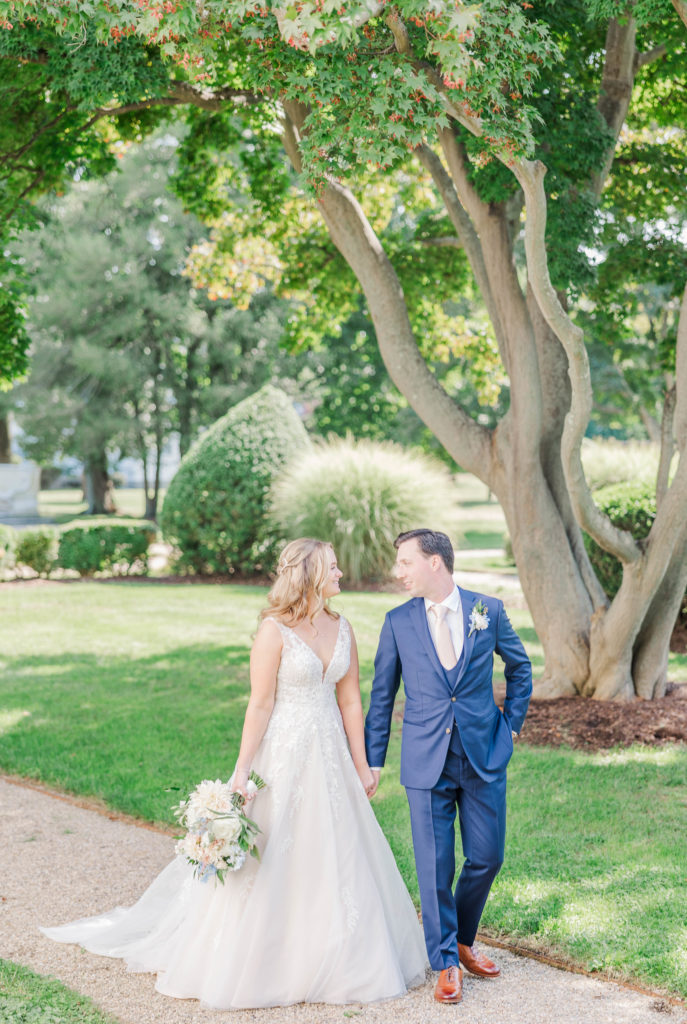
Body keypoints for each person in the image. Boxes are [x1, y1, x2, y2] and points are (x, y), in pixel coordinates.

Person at [41, 538, 427, 1009]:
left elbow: (350, 701)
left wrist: (362, 763)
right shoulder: (273, 631)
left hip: (331, 761)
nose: (341, 573)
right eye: (332, 567)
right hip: (283, 757)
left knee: (339, 851)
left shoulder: (342, 627)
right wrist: (241, 773)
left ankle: (340, 954)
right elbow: (260, 703)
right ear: (308, 574)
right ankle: (267, 957)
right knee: (274, 851)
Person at [364, 529, 532, 1004]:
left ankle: (459, 936)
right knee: (435, 865)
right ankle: (445, 961)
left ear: (434, 562)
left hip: (482, 754)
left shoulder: (488, 611)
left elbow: (519, 668)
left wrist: (511, 725)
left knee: (487, 856)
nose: (399, 572)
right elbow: (382, 697)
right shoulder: (398, 622)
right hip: (425, 760)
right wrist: (372, 760)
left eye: (405, 562)